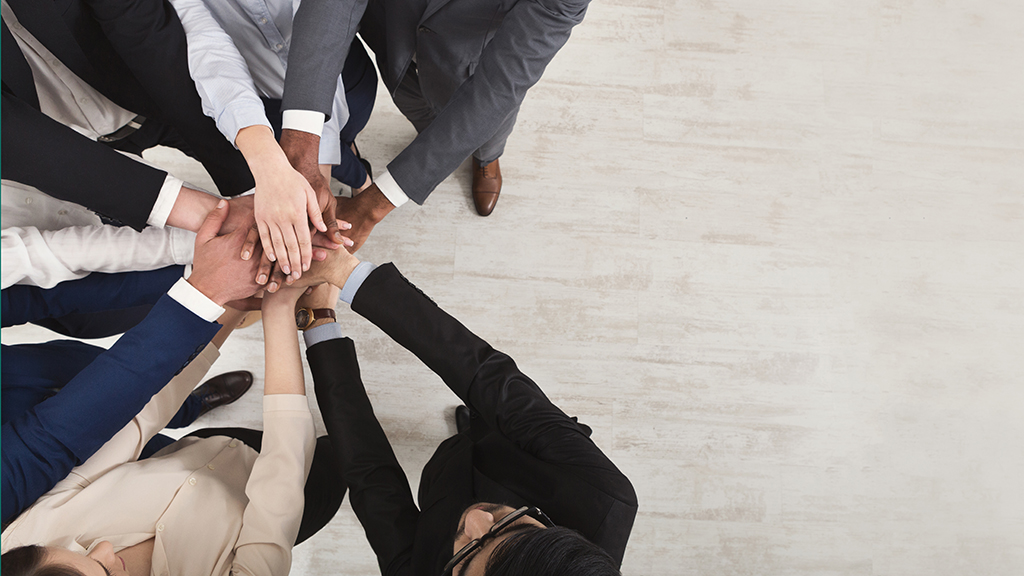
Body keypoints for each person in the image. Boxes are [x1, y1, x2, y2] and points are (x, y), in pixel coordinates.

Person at [289, 245, 637, 574]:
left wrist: (318, 322)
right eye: (515, 525)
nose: (475, 519)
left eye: (469, 553)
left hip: (439, 489)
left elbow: (372, 479)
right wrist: (345, 272)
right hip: (519, 445)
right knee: (492, 412)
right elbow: (483, 372)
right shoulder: (604, 497)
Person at [0, 281, 348, 576]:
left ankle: (197, 404)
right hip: (301, 495)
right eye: (105, 570)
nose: (103, 547)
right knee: (344, 458)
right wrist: (280, 312)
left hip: (215, 449)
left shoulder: (25, 537)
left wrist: (231, 305)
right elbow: (283, 476)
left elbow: (141, 417)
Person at [0, 201, 262, 524]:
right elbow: (45, 446)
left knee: (96, 369)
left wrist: (194, 274)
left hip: (25, 368)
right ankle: (183, 416)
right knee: (163, 459)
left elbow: (33, 296)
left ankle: (188, 405)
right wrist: (204, 294)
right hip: (50, 474)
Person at [273, 0, 592, 259]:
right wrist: (300, 145)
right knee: (422, 116)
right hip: (394, 39)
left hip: (472, 69)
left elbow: (496, 88)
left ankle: (485, 160)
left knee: (484, 136)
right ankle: (434, 140)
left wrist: (372, 207)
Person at [167, 0, 378, 282]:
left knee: (346, 134)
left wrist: (308, 157)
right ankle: (361, 176)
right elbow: (209, 49)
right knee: (335, 157)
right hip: (266, 97)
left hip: (343, 73)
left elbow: (325, 23)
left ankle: (353, 160)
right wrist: (271, 168)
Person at [1, 0, 254, 205]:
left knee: (273, 167)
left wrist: (246, 186)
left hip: (160, 101)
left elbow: (143, 33)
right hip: (72, 155)